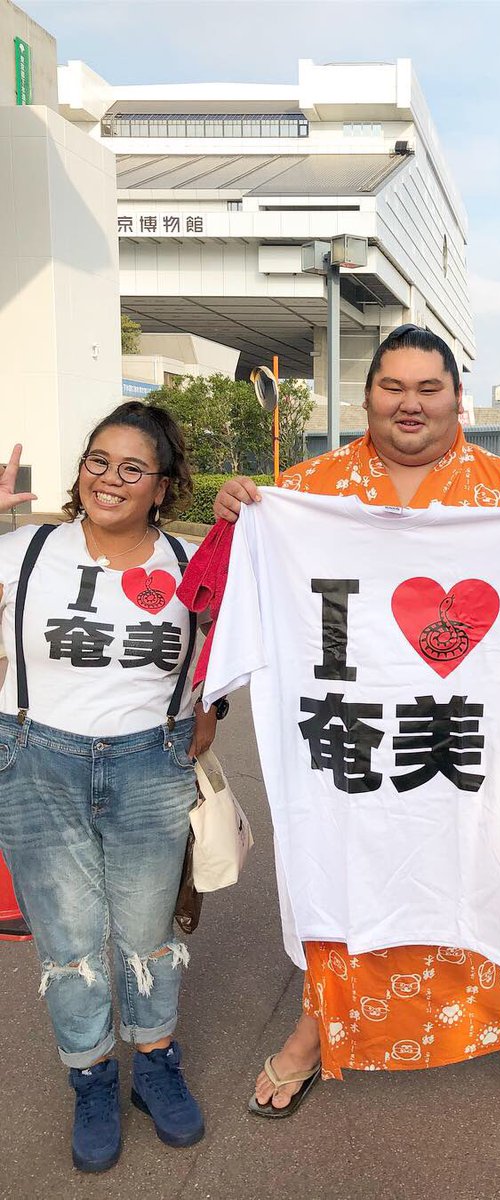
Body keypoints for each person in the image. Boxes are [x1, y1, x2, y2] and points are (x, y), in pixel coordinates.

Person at [208, 324, 500, 1125]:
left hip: (465, 749)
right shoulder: (304, 494)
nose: (410, 404)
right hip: (354, 747)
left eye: (428, 388)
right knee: (342, 873)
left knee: (483, 874)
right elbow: (237, 592)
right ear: (367, 396)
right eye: (392, 387)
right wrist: (238, 519)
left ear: (457, 399)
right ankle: (317, 1028)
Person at [0, 403, 215, 1173]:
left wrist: (211, 710)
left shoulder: (191, 563)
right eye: (98, 461)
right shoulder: (25, 550)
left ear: (162, 486)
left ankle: (155, 1065)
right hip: (36, 760)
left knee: (148, 934)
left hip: (151, 763)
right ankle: (90, 1078)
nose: (110, 479)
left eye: (132, 468)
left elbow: (226, 650)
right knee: (69, 942)